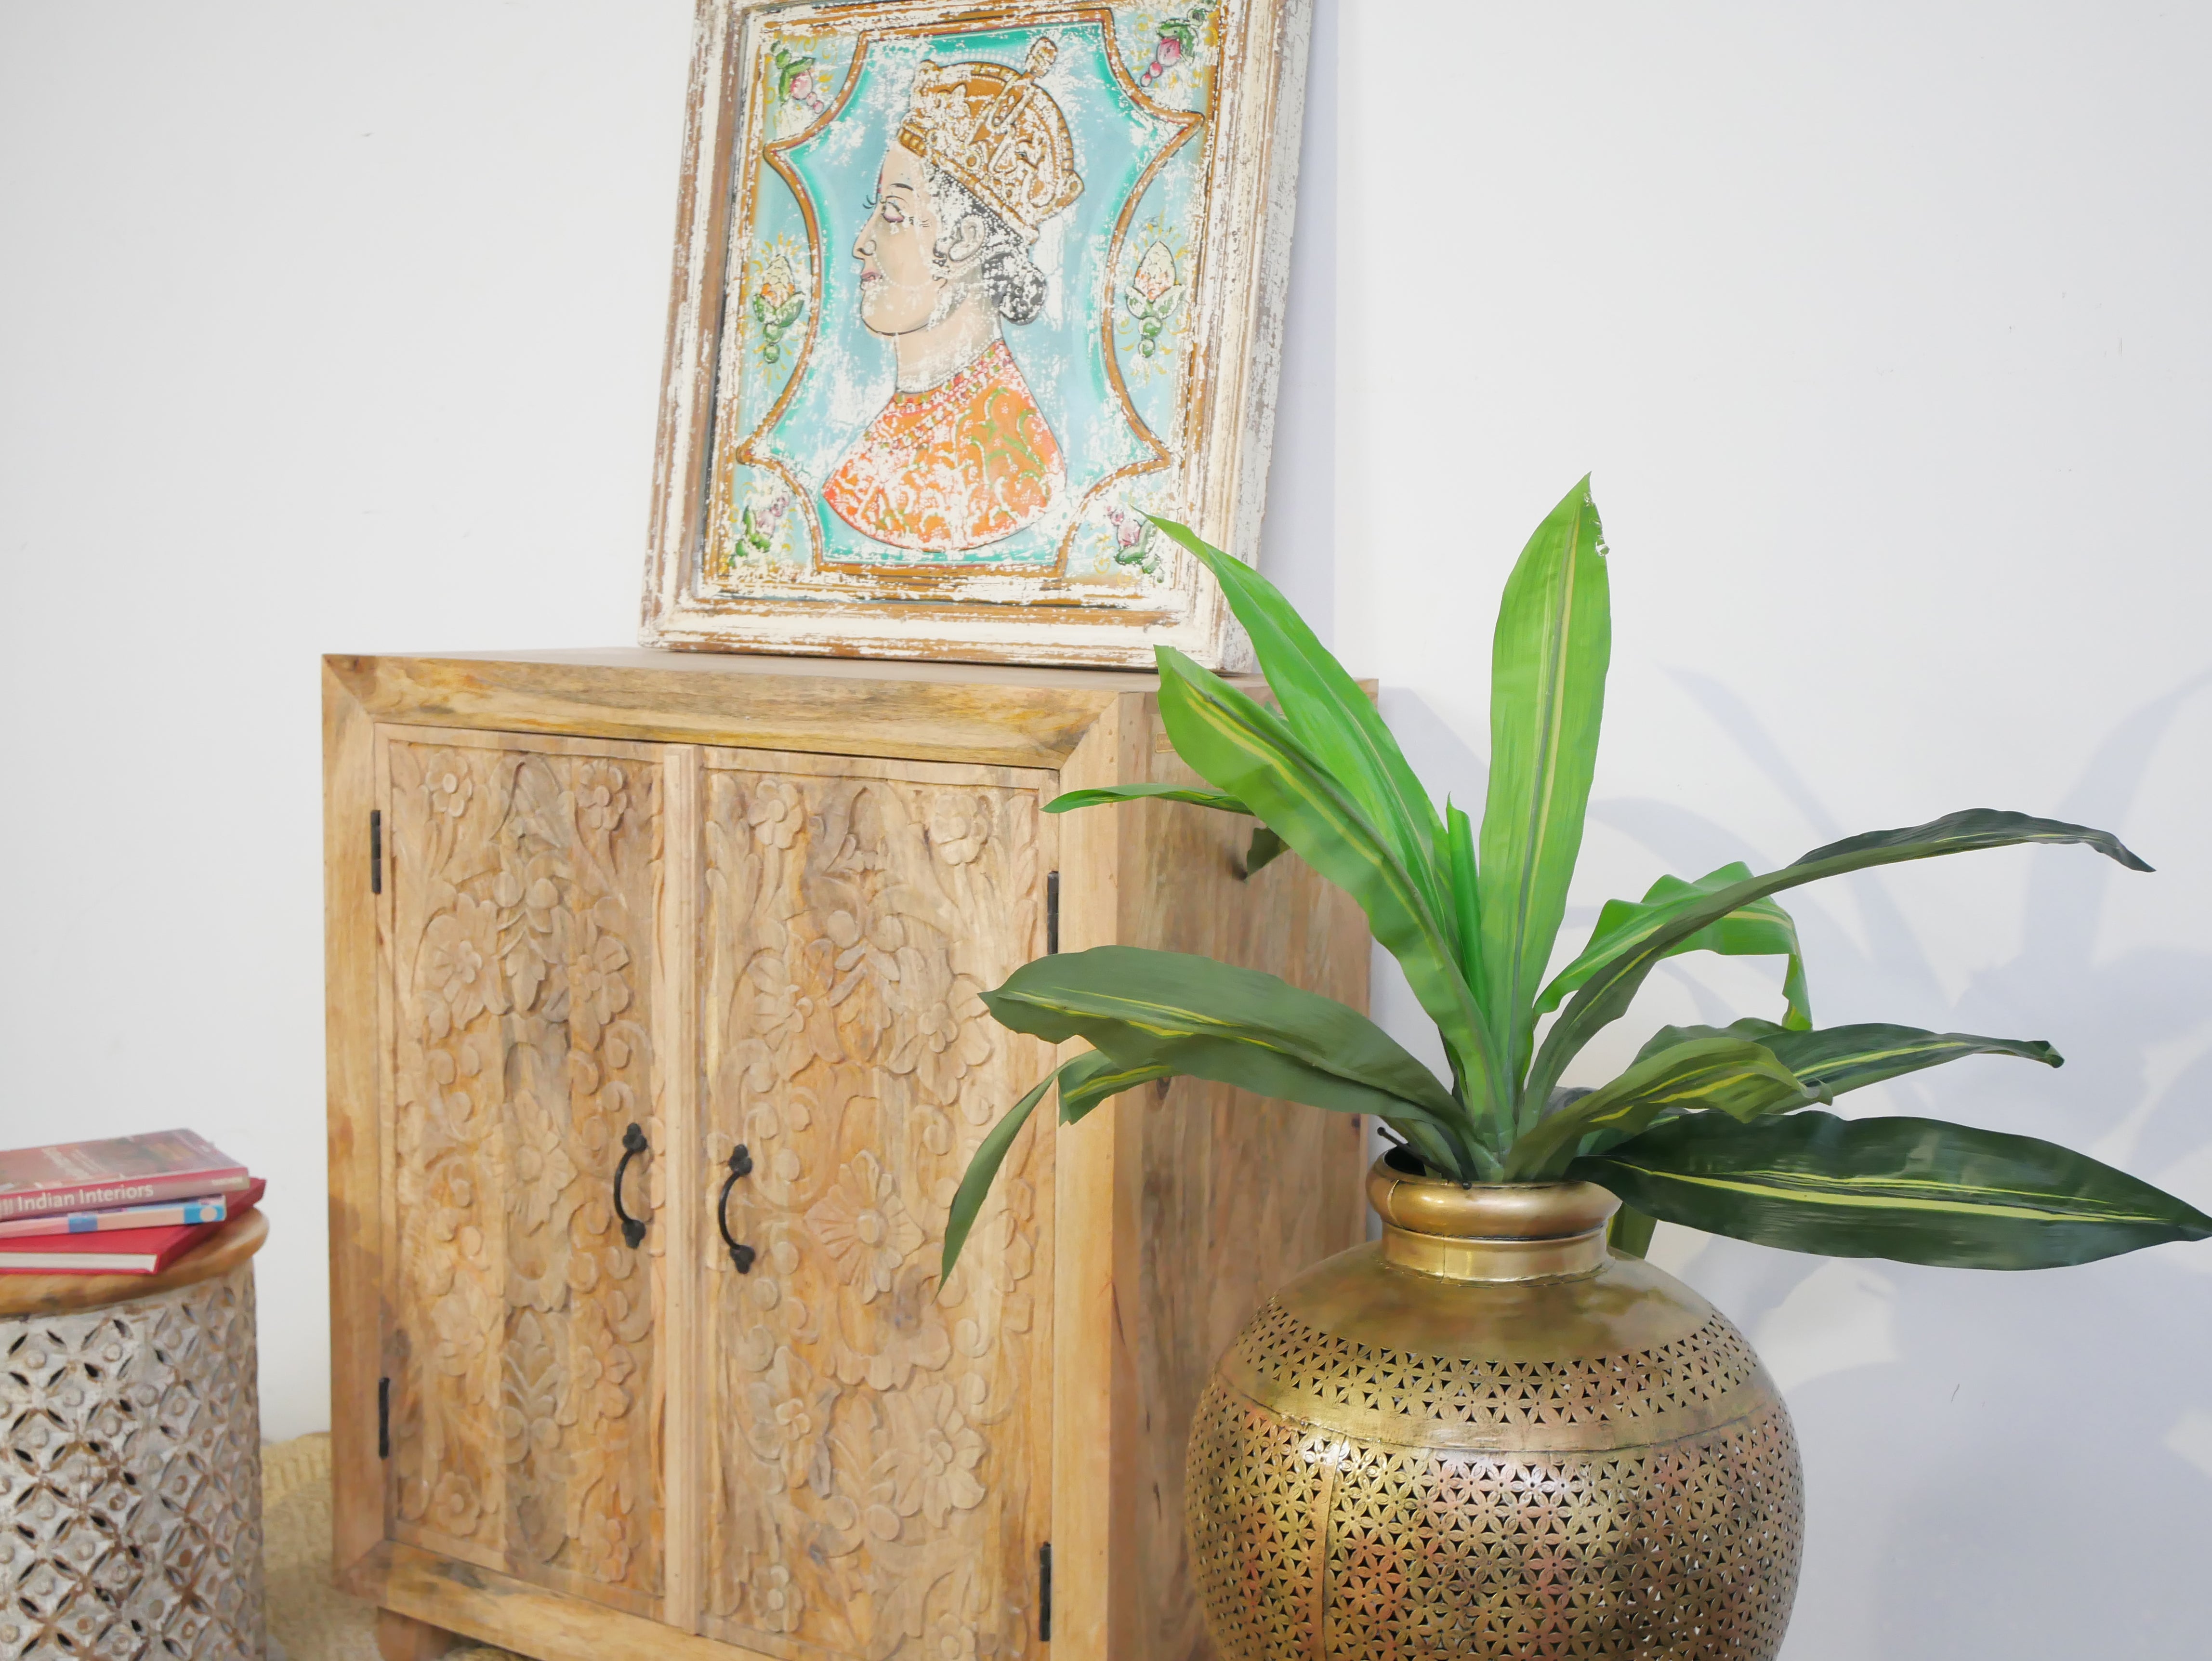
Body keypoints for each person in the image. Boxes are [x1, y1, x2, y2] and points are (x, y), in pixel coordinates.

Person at [822, 38, 1084, 554]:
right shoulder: (892, 433)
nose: (862, 244)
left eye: (893, 214)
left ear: (963, 242)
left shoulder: (1014, 464)